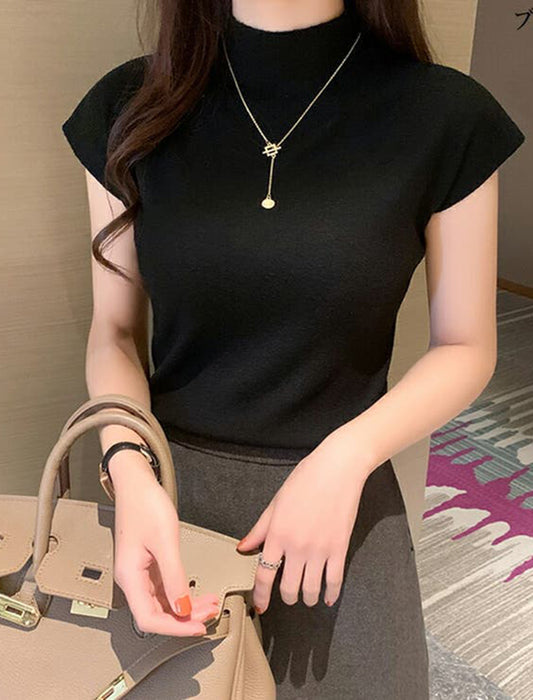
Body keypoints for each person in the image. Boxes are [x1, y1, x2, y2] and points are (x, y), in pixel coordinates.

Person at [60, 0, 526, 697]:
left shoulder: (444, 116)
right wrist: (128, 471)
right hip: (164, 499)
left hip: (341, 502)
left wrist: (346, 457)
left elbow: (465, 346)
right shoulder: (129, 108)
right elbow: (114, 333)